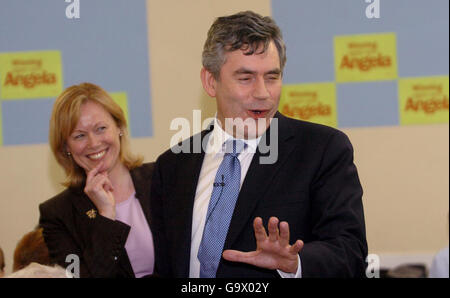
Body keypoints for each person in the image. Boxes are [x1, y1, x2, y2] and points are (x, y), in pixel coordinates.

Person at [150, 11, 368, 278]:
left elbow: (350, 252)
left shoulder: (322, 150)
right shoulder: (172, 166)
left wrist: (295, 264)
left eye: (272, 77)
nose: (263, 93)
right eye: (246, 78)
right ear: (210, 81)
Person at [39, 82, 155, 278]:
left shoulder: (161, 178)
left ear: (119, 127)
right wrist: (106, 216)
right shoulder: (57, 215)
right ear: (66, 146)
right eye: (79, 135)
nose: (93, 143)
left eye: (101, 128)